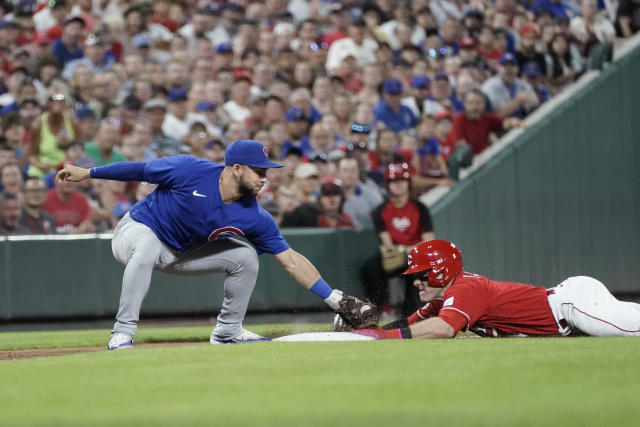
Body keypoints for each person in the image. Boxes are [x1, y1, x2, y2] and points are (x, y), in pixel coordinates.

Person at [55, 139, 372, 350]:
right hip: (135, 231)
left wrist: (334, 298)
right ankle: (123, 330)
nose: (265, 178)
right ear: (236, 168)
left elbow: (290, 260)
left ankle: (227, 331)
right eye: (259, 171)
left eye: (267, 172)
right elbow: (139, 169)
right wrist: (89, 172)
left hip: (180, 253)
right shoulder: (189, 169)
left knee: (246, 256)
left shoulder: (255, 216)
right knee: (148, 245)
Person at [352, 240, 640, 339]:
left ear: (441, 271)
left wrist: (385, 337)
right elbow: (410, 323)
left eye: (421, 275)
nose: (415, 281)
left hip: (572, 305)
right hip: (567, 307)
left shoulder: (463, 289)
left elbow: (443, 329)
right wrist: (368, 333)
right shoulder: (445, 297)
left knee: (630, 331)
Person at [361, 162, 434, 318]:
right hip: (394, 256)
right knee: (370, 268)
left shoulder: (420, 208)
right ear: (388, 185)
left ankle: (412, 314)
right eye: (394, 181)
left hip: (416, 256)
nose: (398, 184)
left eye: (402, 180)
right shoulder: (380, 211)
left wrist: (406, 251)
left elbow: (428, 241)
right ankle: (379, 310)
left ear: (408, 183)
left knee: (416, 269)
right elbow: (387, 243)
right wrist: (398, 252)